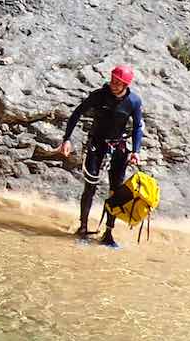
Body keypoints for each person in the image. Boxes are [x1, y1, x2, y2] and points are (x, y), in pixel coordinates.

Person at [55, 64, 145, 249]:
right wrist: (67, 139)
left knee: (116, 191)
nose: (113, 84)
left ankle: (108, 233)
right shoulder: (99, 95)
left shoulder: (134, 102)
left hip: (118, 147)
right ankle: (83, 228)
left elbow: (137, 127)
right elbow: (76, 114)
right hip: (97, 144)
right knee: (91, 185)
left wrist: (136, 150)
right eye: (113, 79)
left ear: (126, 85)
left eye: (118, 82)